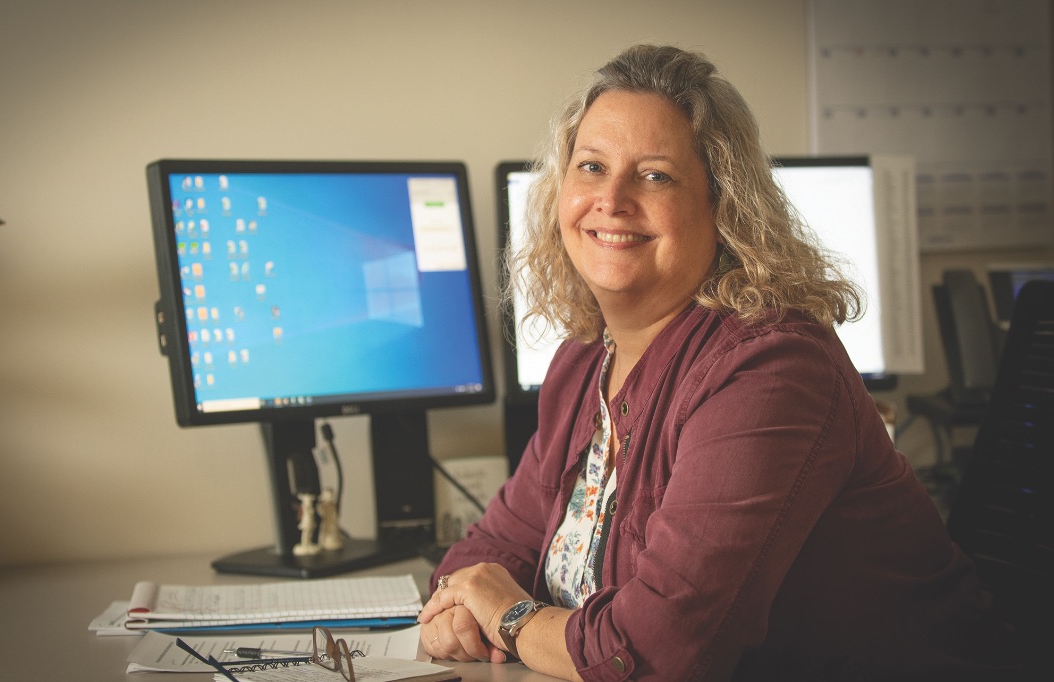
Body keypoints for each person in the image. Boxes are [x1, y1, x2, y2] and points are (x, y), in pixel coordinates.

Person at [418, 45, 1020, 681]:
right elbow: (492, 547)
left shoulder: (771, 369)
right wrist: (461, 602)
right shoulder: (582, 360)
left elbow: (662, 650)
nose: (612, 199)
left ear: (723, 205)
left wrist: (510, 619)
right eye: (591, 166)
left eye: (655, 176)